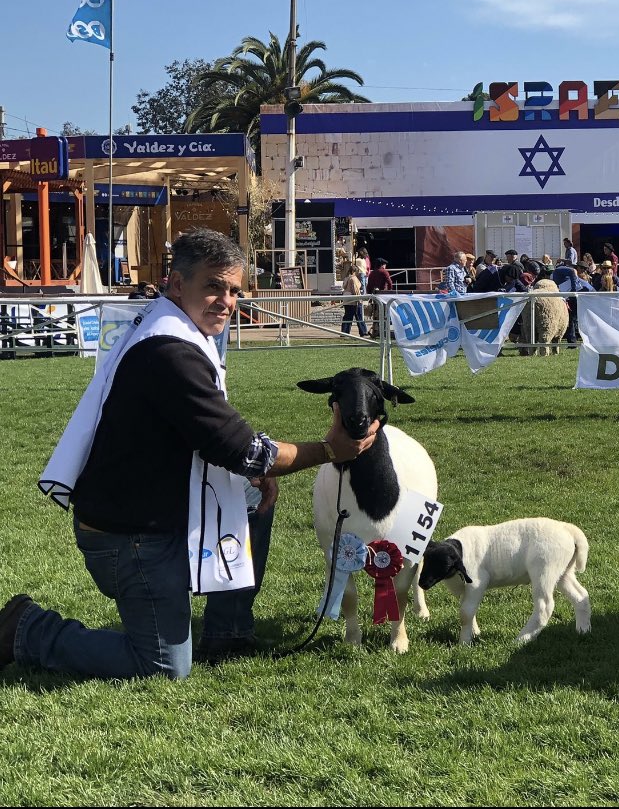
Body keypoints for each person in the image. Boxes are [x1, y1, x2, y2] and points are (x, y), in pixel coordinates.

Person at [0, 229, 379, 680]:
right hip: (129, 538)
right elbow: (241, 450)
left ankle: (228, 630)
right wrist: (330, 450)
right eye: (214, 286)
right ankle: (27, 628)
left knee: (254, 497)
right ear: (177, 284)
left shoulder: (170, 328)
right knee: (162, 666)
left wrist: (251, 474)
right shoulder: (171, 350)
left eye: (235, 290)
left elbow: (222, 438)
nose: (226, 300)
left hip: (150, 518)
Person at [340, 263, 369, 336]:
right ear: (355, 271)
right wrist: (359, 299)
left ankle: (344, 332)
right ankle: (363, 331)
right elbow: (355, 290)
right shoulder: (354, 279)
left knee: (347, 317)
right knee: (359, 316)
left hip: (346, 300)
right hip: (354, 301)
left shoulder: (346, 278)